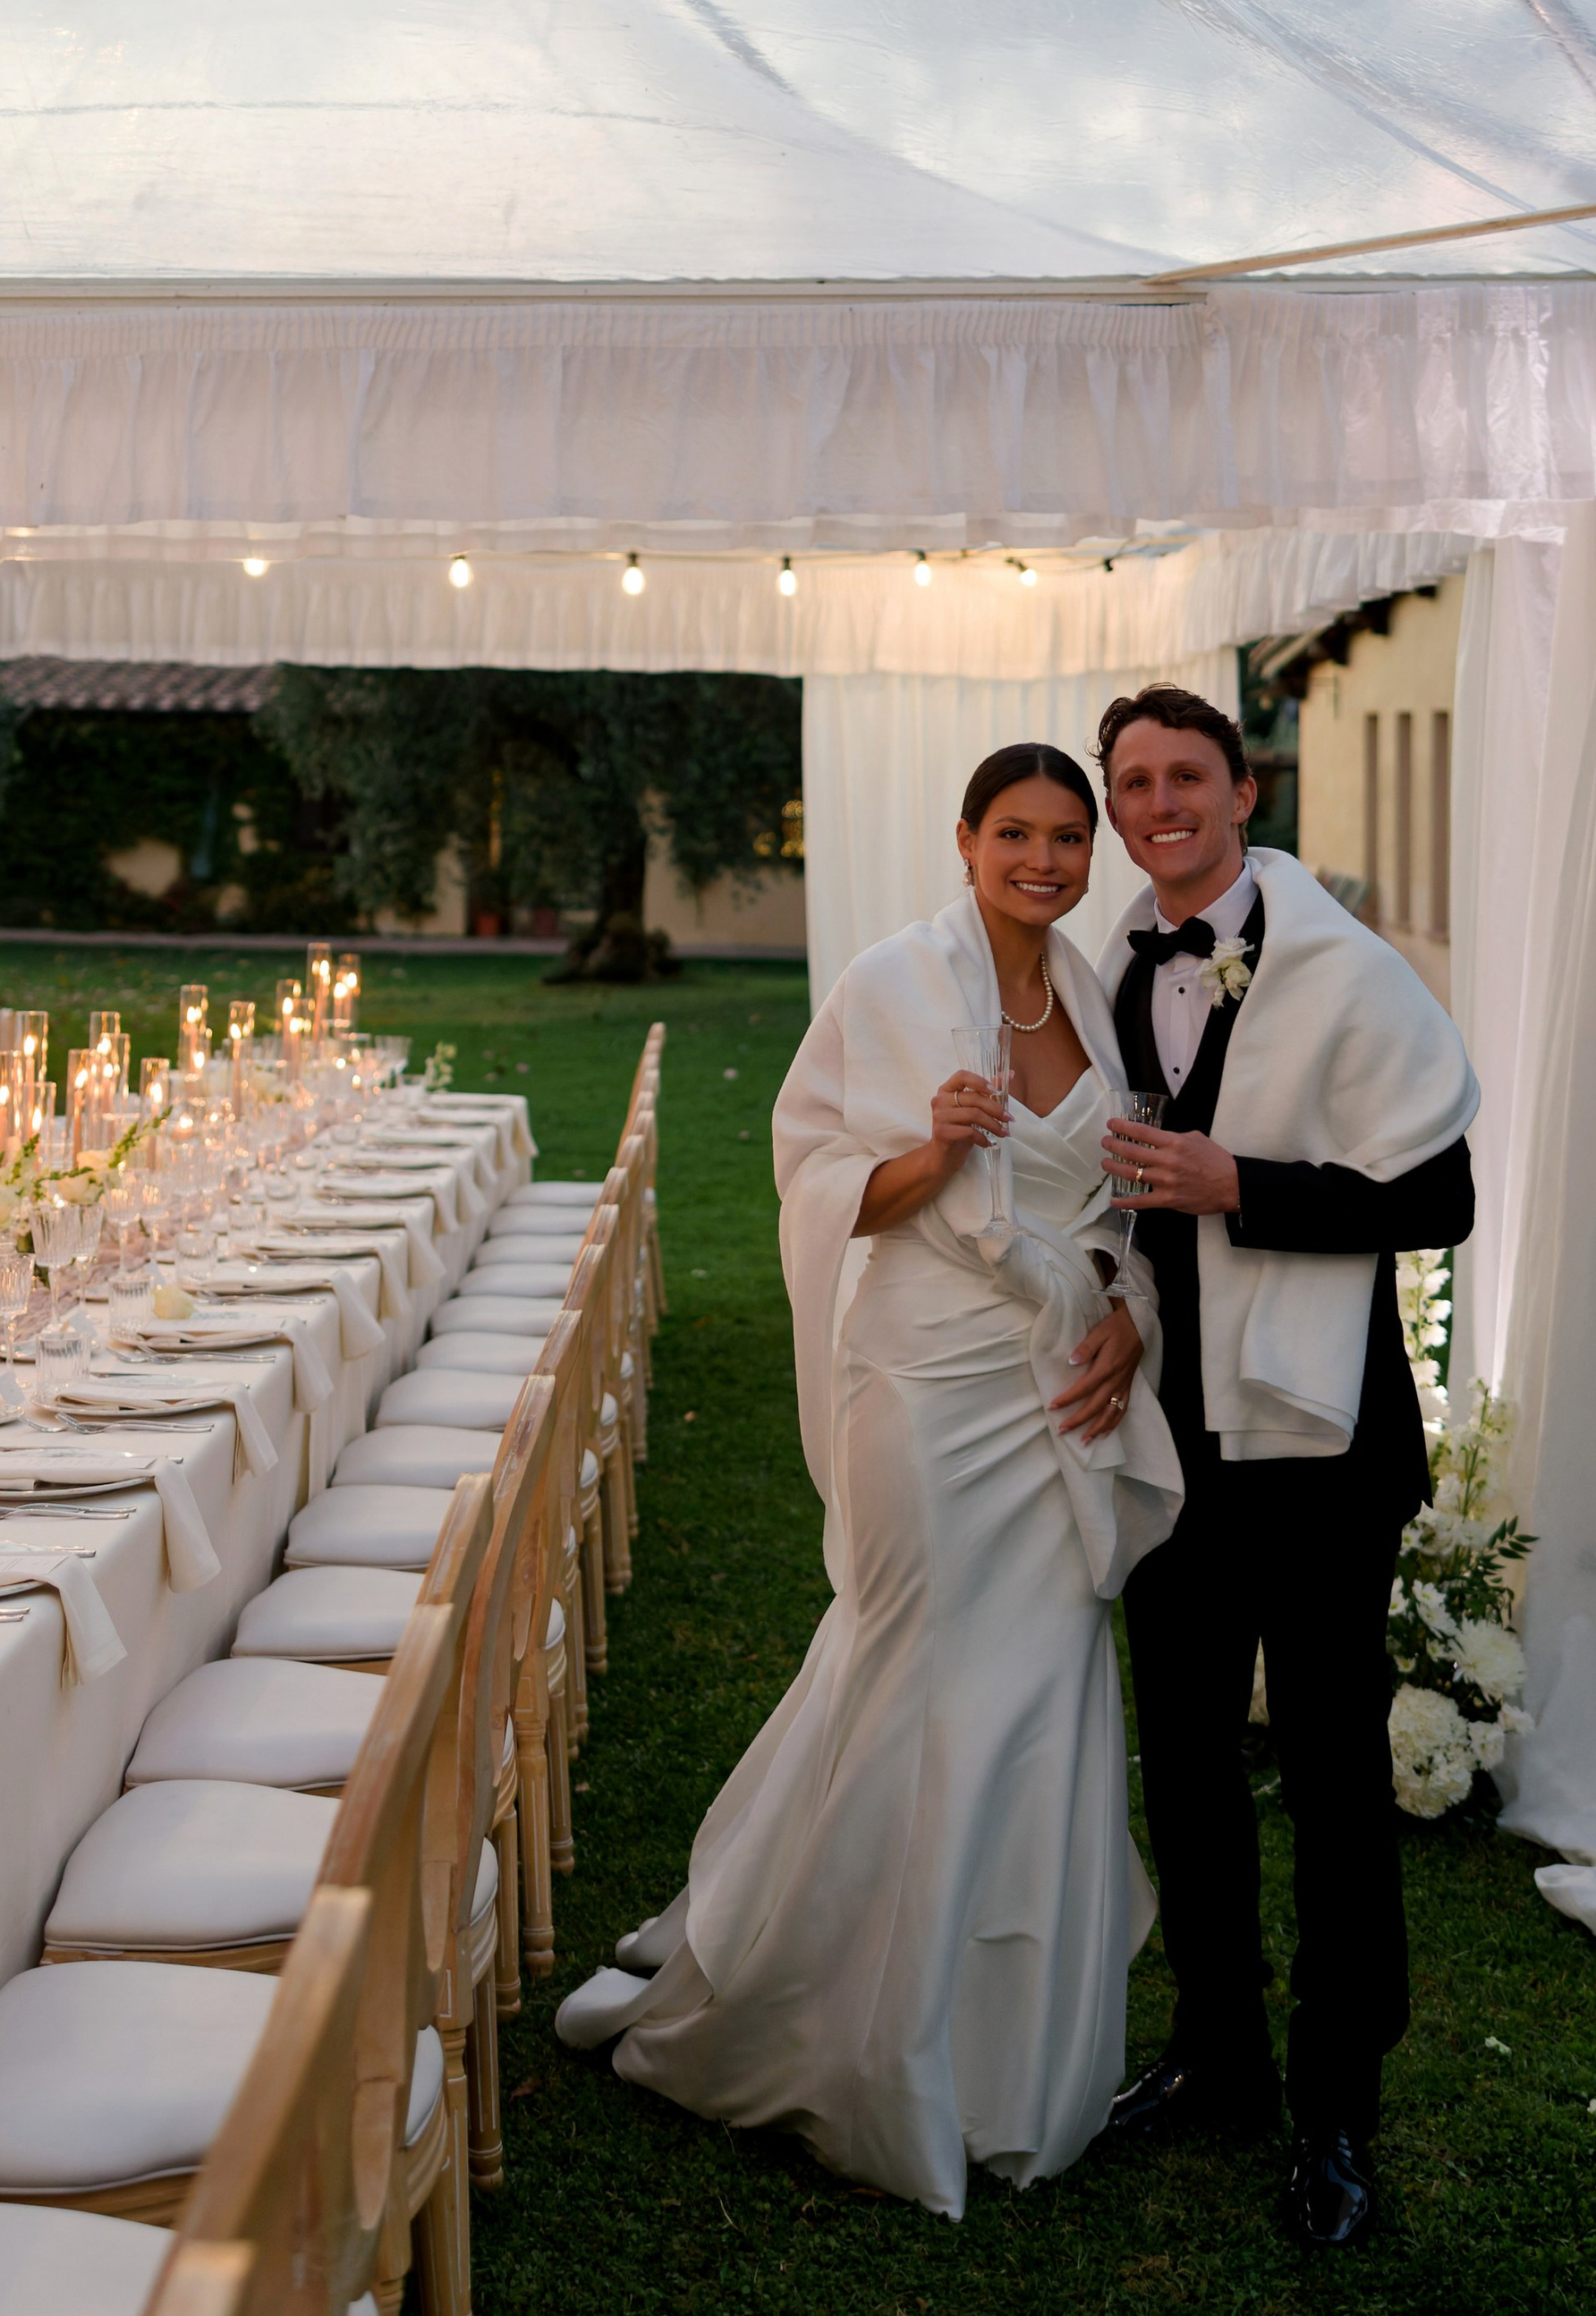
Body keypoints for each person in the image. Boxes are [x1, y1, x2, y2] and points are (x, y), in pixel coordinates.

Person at [553, 743, 1182, 2218]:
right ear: (963, 838)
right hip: (925, 1382)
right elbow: (820, 1181)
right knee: (909, 1661)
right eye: (1016, 833)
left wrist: (1131, 1321)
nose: (1045, 860)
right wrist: (929, 1145)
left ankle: (1007, 2054)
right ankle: (831, 2021)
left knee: (1037, 1690)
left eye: (1068, 837)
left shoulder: (1095, 993)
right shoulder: (898, 982)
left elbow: (1117, 1203)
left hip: (1055, 1400)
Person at [1091, 683, 1477, 2252]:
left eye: (1186, 774)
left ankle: (1337, 2105)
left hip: (1319, 1443)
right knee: (1183, 1758)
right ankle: (1217, 2052)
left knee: (1327, 1774)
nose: (1160, 802)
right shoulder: (1110, 961)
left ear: (1240, 789)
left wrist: (1238, 1181)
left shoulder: (1346, 970)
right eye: (1135, 781)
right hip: (1167, 1432)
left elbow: (1439, 1192)